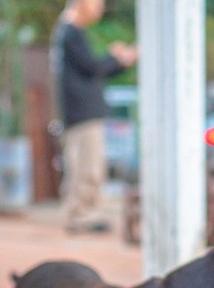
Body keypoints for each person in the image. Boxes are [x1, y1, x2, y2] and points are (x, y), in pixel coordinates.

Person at [51, 0, 137, 233]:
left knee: (87, 167)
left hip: (81, 113)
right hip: (82, 114)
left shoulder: (68, 33)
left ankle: (83, 213)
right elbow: (93, 68)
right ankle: (81, 215)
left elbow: (94, 71)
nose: (100, 8)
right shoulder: (70, 32)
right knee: (86, 169)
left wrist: (119, 62)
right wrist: (117, 58)